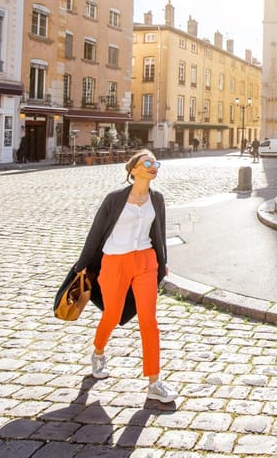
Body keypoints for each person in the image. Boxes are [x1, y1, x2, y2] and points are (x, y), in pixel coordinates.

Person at [72, 148, 177, 403]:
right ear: (133, 170)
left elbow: (159, 232)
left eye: (155, 163)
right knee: (112, 314)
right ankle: (98, 353)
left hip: (145, 262)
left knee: (149, 321)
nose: (153, 167)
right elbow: (96, 233)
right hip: (115, 261)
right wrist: (82, 265)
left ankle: (154, 381)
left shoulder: (157, 198)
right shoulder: (115, 198)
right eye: (147, 162)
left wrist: (162, 262)